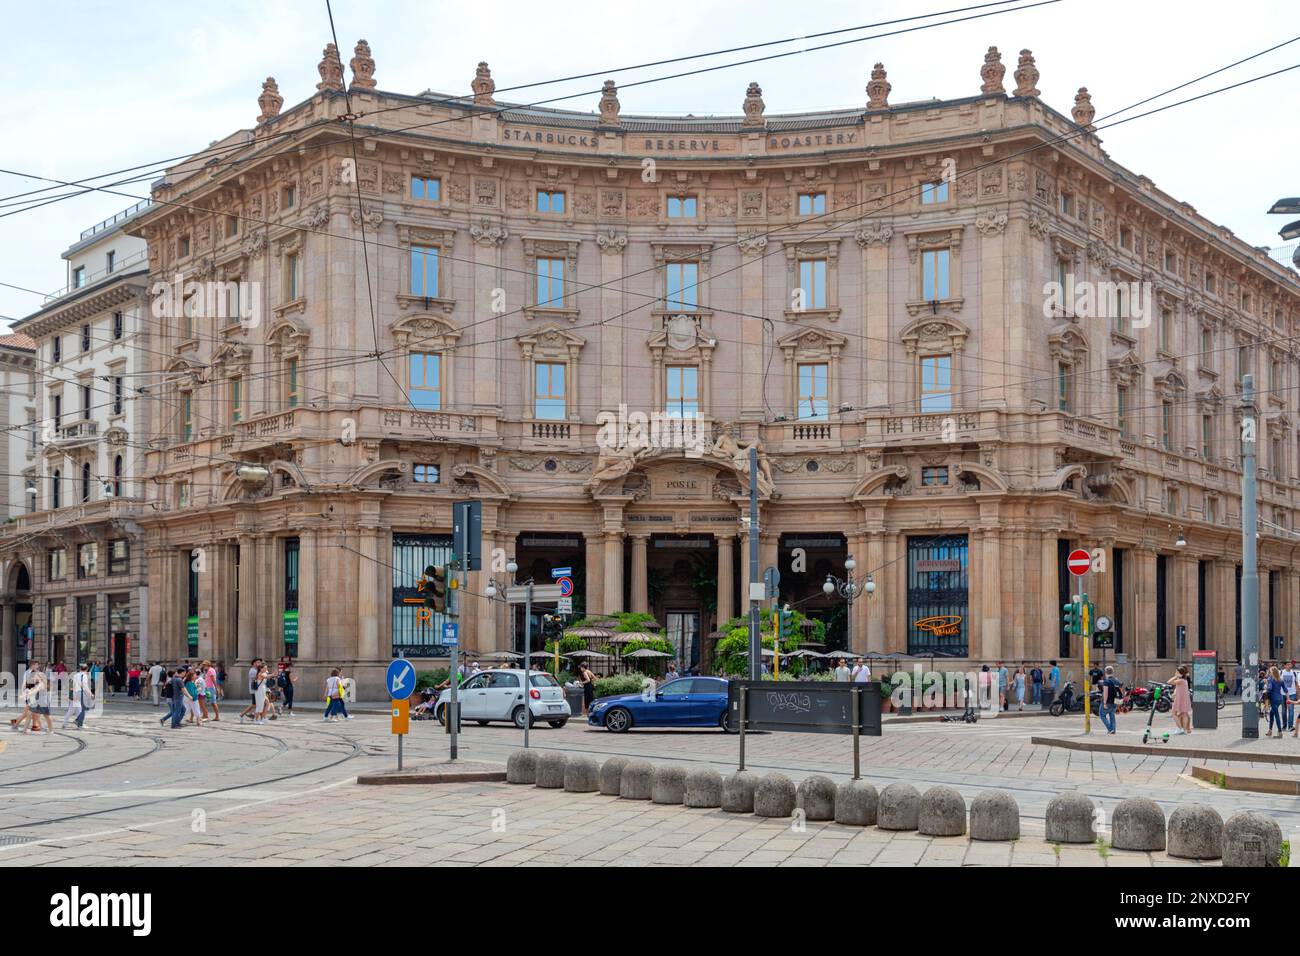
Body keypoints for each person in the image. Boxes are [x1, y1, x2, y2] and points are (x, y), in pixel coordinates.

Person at [1169, 664, 1194, 736]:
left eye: (1176, 671)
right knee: (1184, 713)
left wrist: (1176, 676)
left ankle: (1181, 729)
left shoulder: (1181, 680)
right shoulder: (1184, 680)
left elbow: (1169, 681)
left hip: (1180, 698)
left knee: (1175, 714)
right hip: (1184, 698)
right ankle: (1185, 729)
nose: (1175, 672)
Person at [1097, 665, 1122, 735]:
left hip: (1108, 702)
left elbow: (1105, 692)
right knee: (1112, 715)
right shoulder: (1116, 681)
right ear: (1113, 672)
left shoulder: (1106, 681)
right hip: (1115, 702)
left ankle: (1110, 729)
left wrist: (1104, 703)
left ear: (1105, 672)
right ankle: (1113, 730)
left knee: (1102, 715)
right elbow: (1121, 692)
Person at [1265, 666, 1286, 738]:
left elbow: (1269, 688)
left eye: (1270, 671)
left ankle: (1280, 732)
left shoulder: (1271, 679)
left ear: (1272, 672)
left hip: (1273, 699)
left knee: (1276, 715)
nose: (1269, 673)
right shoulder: (1281, 680)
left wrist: (1266, 686)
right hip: (1280, 699)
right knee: (1271, 713)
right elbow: (1285, 690)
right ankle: (1270, 730)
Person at [1282, 661, 1297, 731]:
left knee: (1291, 710)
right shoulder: (1281, 672)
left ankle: (1290, 726)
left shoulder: (1294, 673)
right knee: (1283, 710)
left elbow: (1296, 684)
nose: (1289, 666)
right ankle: (1284, 726)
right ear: (1284, 666)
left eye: (1290, 664)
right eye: (1288, 664)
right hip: (1282, 694)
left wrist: (1298, 694)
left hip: (1292, 694)